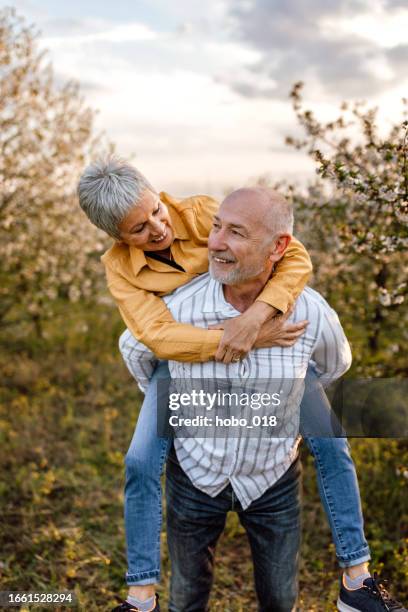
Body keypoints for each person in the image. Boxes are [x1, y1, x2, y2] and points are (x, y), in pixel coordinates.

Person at [77, 159, 406, 612]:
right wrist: (233, 345)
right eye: (139, 228)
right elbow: (149, 338)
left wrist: (256, 321)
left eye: (156, 210)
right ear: (117, 237)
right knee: (139, 458)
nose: (158, 227)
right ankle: (140, 595)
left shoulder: (201, 213)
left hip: (266, 329)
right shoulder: (120, 269)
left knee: (332, 438)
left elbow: (293, 255)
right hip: (181, 350)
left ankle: (357, 577)